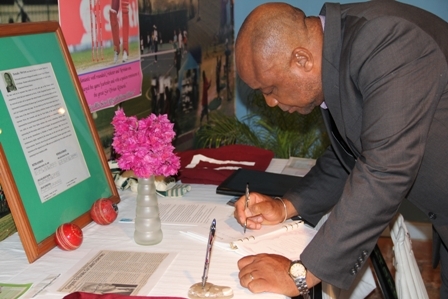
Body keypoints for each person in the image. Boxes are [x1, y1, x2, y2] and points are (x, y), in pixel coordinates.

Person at [233, 2, 448, 298]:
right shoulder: (337, 49)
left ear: (301, 59)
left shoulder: (386, 42)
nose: (270, 102)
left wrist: (301, 274)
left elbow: (385, 168)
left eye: (270, 89)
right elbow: (355, 150)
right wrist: (286, 206)